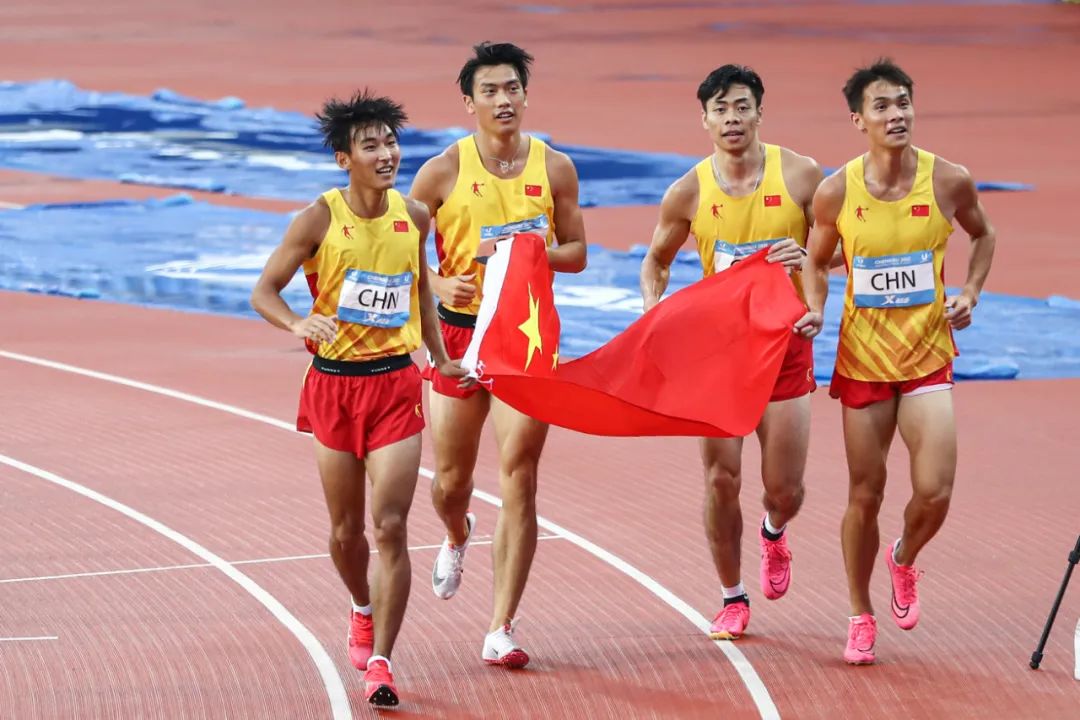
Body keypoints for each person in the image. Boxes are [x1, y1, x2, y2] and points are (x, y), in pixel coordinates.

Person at [250, 90, 467, 705]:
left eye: (391, 142)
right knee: (347, 533)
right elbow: (264, 291)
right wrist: (297, 322)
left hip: (395, 384)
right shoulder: (317, 219)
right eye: (370, 145)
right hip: (334, 386)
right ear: (345, 159)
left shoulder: (414, 215)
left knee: (390, 525)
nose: (386, 154)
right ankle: (361, 604)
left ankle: (381, 662)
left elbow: (418, 291)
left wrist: (441, 359)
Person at [796, 59, 996, 665]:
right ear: (858, 120)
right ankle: (860, 613)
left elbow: (983, 234)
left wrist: (970, 292)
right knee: (866, 492)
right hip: (863, 362)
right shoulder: (836, 191)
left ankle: (903, 557)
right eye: (881, 106)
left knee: (934, 492)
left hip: (928, 355)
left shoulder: (948, 180)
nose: (896, 114)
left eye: (903, 102)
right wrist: (816, 308)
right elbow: (815, 260)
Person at [409, 41, 587, 668]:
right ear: (470, 103)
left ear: (525, 95)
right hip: (460, 338)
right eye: (490, 91)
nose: (503, 100)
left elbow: (577, 252)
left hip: (525, 340)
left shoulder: (555, 167)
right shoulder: (441, 172)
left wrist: (530, 250)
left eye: (512, 88)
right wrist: (437, 283)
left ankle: (500, 626)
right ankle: (456, 531)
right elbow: (401, 245)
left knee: (520, 474)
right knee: (451, 482)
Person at [640, 64, 825, 641]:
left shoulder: (800, 175)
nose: (732, 118)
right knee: (721, 480)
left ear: (759, 112)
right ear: (705, 120)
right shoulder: (689, 191)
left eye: (742, 106)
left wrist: (809, 265)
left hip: (785, 348)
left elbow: (838, 248)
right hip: (720, 356)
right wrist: (653, 310)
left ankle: (774, 531)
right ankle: (731, 595)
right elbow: (656, 261)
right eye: (720, 109)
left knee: (785, 490)